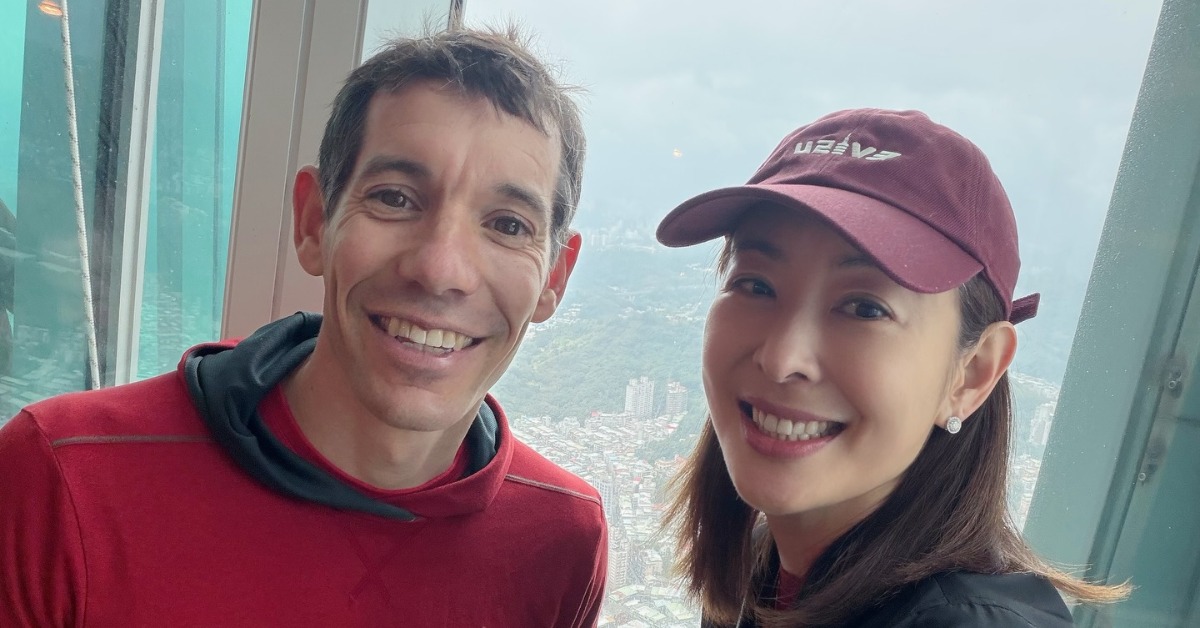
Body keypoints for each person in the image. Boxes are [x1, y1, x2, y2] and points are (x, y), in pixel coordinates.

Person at [0, 26, 607, 627]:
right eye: (395, 198)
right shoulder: (64, 478)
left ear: (554, 277)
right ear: (314, 222)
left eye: (508, 225)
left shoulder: (562, 542)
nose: (440, 269)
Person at [658, 109, 1127, 627]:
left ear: (972, 373)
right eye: (755, 284)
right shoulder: (768, 566)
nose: (781, 357)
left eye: (865, 308)